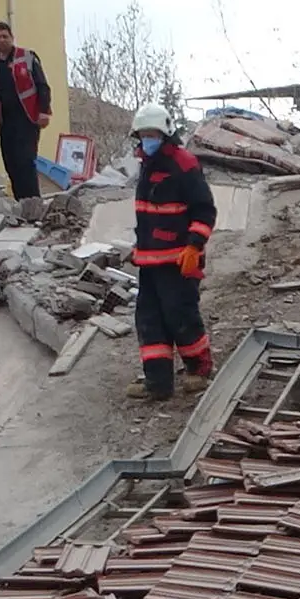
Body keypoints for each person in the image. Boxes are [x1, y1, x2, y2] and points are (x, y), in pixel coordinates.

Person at [126, 103, 216, 399]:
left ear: (165, 134)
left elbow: (204, 211)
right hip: (150, 261)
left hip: (178, 259)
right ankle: (158, 383)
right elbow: (148, 213)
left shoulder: (184, 163)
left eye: (151, 134)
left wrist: (194, 245)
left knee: (181, 317)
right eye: (143, 135)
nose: (147, 140)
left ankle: (199, 369)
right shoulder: (147, 166)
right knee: (149, 321)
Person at [0, 20, 53, 199]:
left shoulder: (27, 56)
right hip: (6, 122)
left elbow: (42, 86)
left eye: (5, 36)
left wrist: (44, 111)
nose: (1, 40)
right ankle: (20, 202)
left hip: (27, 119)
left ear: (11, 37)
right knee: (11, 163)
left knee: (25, 161)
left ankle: (32, 202)